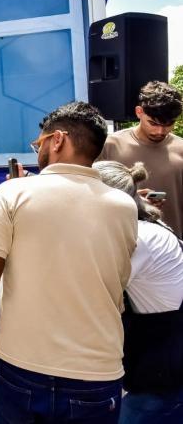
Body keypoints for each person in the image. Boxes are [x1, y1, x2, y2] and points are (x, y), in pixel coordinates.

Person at [0, 101, 138, 423]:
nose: (37, 150)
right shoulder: (125, 206)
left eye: (38, 143)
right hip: (96, 373)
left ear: (57, 140)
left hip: (23, 367)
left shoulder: (12, 193)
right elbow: (117, 281)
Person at [93, 160, 183, 424]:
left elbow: (92, 285)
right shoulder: (142, 225)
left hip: (165, 373)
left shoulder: (140, 238)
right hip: (158, 365)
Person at [99, 80, 183, 238]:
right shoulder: (110, 145)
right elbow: (93, 196)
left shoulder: (181, 149)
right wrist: (134, 200)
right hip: (121, 245)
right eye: (153, 123)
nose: (160, 131)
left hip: (173, 251)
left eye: (168, 124)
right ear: (139, 112)